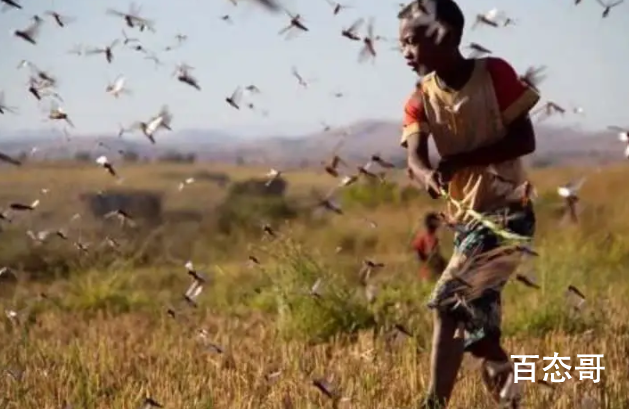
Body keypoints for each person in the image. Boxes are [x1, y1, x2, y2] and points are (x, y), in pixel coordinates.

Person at [397, 0, 540, 408]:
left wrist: (461, 160)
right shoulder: (419, 98)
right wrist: (428, 176)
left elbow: (524, 139)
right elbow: (415, 157)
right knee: (481, 334)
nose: (407, 52)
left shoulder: (493, 74)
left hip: (508, 213)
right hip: (468, 221)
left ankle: (433, 403)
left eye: (413, 41)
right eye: (401, 46)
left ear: (448, 35)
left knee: (448, 303)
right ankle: (511, 398)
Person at [411, 211, 447, 281]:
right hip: (431, 274)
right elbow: (431, 254)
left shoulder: (421, 236)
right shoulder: (430, 238)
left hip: (424, 272)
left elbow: (417, 253)